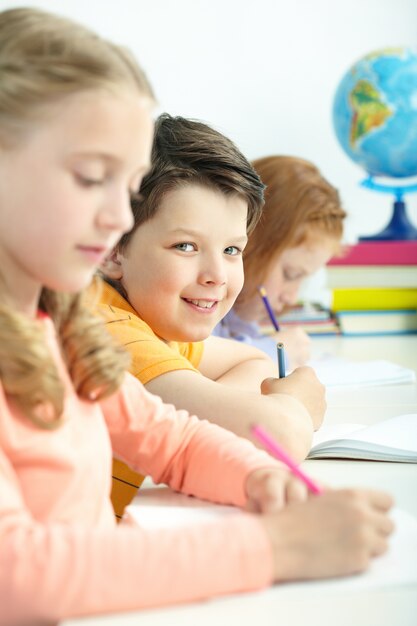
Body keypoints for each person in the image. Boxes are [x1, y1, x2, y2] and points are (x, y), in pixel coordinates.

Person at [0, 8, 394, 625]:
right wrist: (276, 547)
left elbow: (173, 440)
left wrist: (263, 480)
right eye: (90, 178)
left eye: (126, 187)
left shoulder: (59, 333)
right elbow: (17, 575)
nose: (116, 218)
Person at [98, 113, 326, 515]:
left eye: (231, 250)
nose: (216, 276)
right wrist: (294, 405)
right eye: (185, 246)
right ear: (113, 249)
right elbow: (281, 438)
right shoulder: (108, 332)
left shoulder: (149, 322)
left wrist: (208, 415)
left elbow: (250, 359)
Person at [213, 156, 346, 368]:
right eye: (290, 274)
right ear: (249, 244)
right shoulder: (197, 307)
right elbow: (200, 362)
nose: (291, 297)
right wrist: (270, 353)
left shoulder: (235, 319)